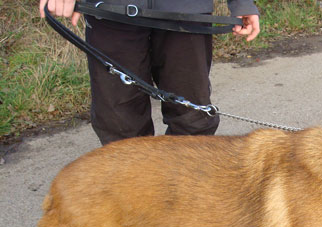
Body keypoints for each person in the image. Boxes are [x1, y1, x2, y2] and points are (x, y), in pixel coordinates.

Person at [40, 0, 260, 145]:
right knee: (119, 123)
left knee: (192, 120)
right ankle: (132, 201)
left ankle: (184, 198)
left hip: (186, 11)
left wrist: (242, 3)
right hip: (110, 11)